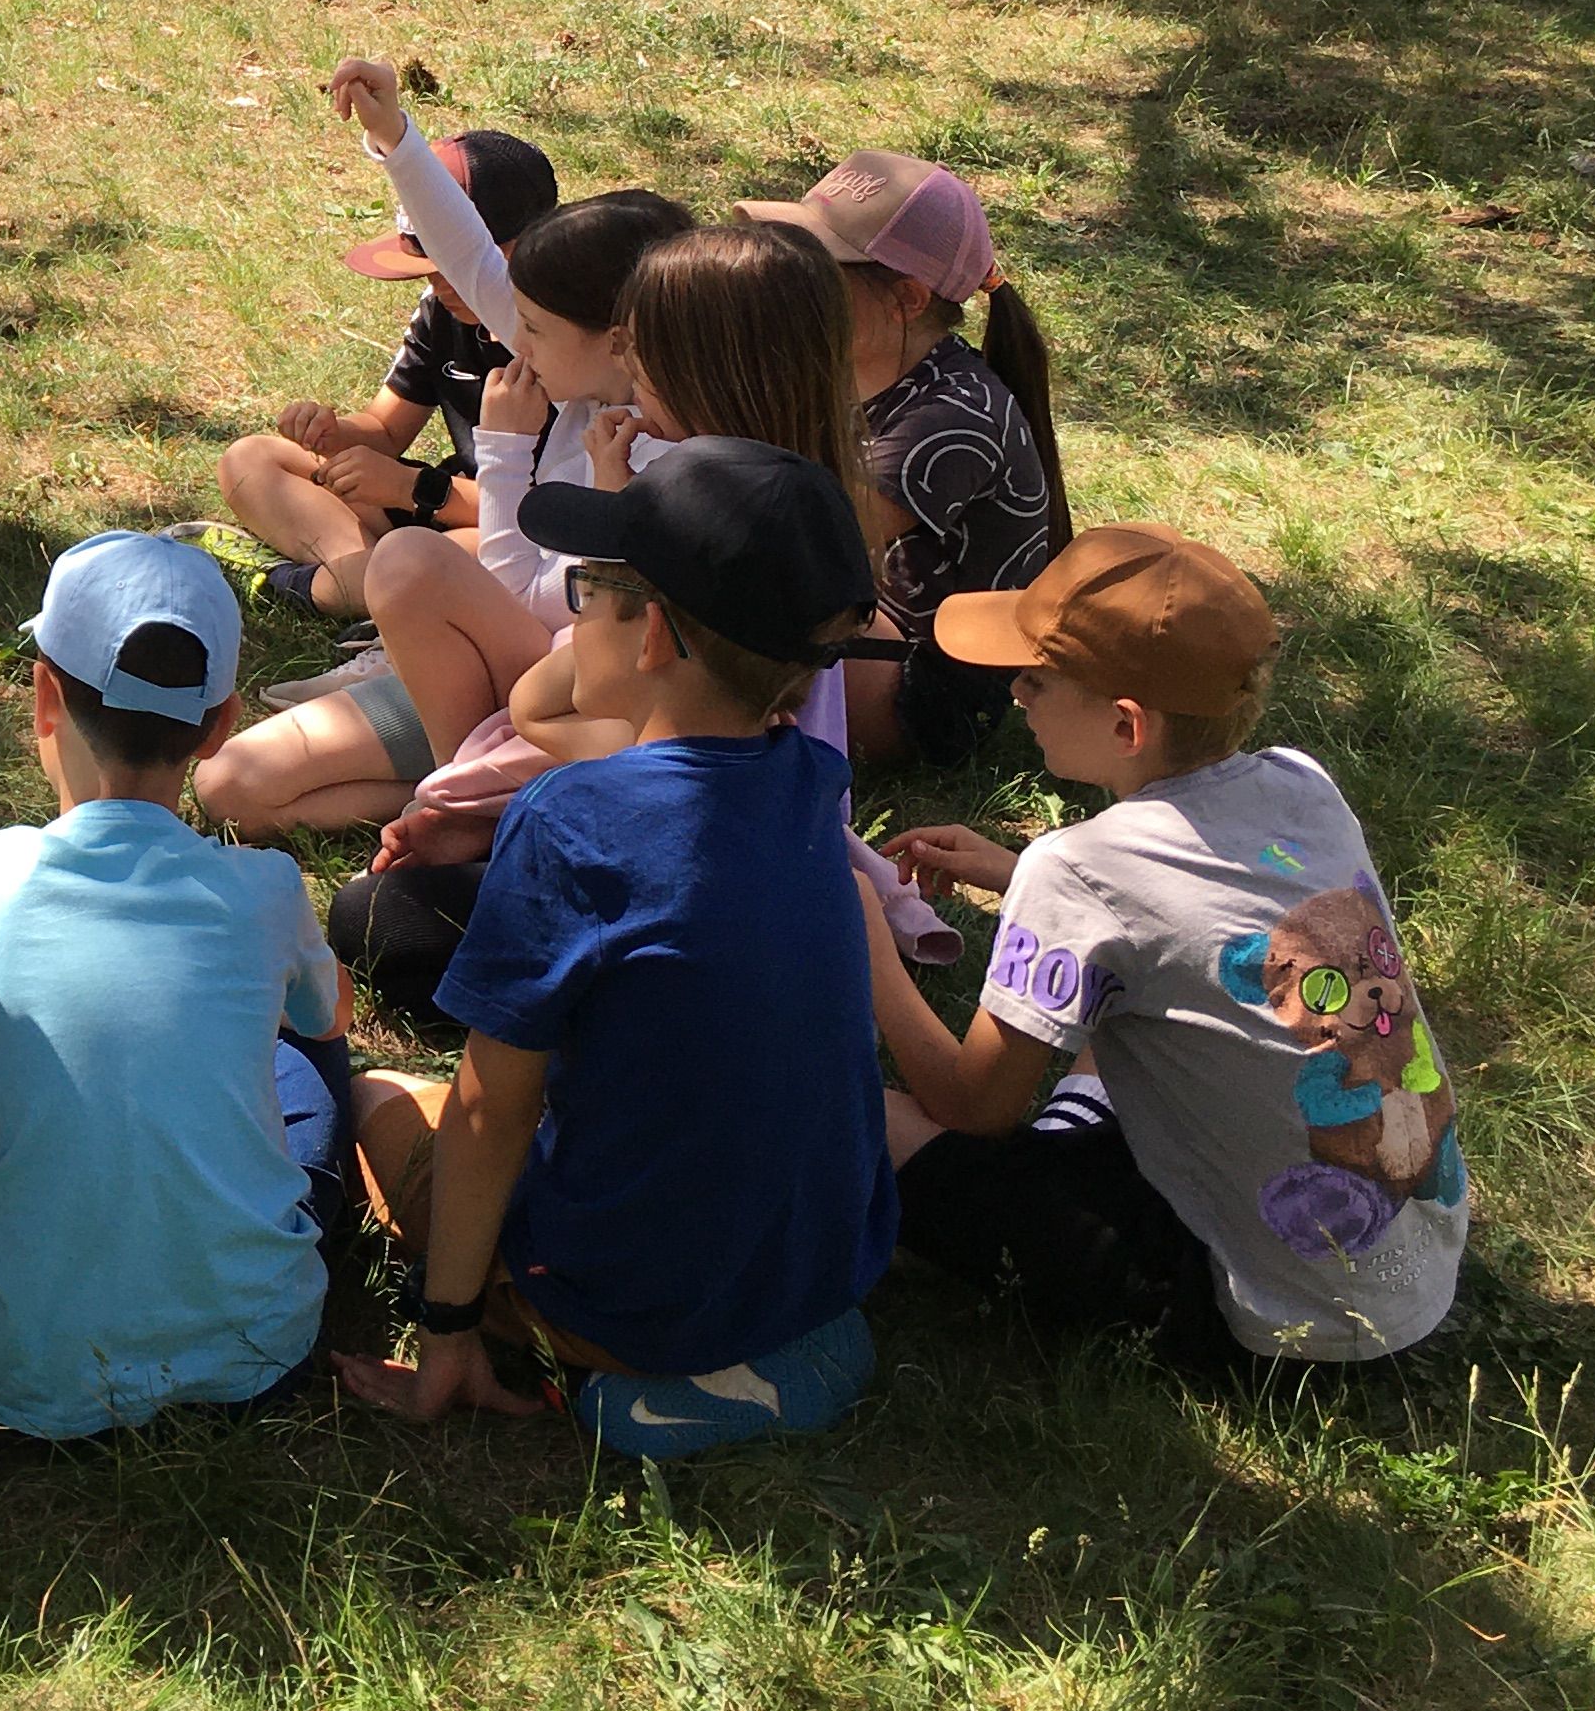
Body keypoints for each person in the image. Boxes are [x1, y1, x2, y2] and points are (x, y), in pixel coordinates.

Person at [336, 440, 897, 1457]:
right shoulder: (808, 778)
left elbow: (491, 1106)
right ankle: (773, 1354)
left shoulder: (569, 819)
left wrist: (448, 1325)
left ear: (653, 639)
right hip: (819, 1272)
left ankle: (630, 1371)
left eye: (588, 589)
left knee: (376, 1100)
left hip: (625, 1297)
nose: (569, 609)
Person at [868, 527, 1465, 1374]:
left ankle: (1047, 1161)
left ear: (1125, 725)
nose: (1016, 694)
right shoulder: (1302, 784)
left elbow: (972, 1107)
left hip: (1265, 1320)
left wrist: (870, 955)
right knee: (1148, 1015)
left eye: (1036, 678)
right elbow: (1203, 919)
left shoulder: (1077, 871)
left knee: (855, 1109)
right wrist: (1012, 873)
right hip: (1406, 1262)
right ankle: (1071, 1141)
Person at [332, 220, 934, 1029]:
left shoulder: (702, 535)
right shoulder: (797, 508)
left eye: (643, 357)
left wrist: (516, 812)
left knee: (382, 918)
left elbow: (582, 709)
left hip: (675, 849)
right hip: (726, 837)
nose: (627, 368)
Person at [0, 534, 353, 1438]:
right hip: (260, 1350)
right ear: (225, 723)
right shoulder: (268, 890)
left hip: (20, 1367)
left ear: (43, 698)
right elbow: (327, 1021)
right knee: (312, 1052)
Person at [192, 52, 689, 833]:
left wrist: (503, 449)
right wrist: (393, 137)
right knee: (230, 786)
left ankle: (474, 803)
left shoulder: (648, 459)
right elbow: (470, 258)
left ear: (619, 342)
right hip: (490, 671)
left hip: (557, 703)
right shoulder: (591, 383)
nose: (508, 338)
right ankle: (470, 787)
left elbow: (519, 587)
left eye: (531, 326)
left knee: (413, 562)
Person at [742, 151, 1070, 765]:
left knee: (734, 594)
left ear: (907, 299)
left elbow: (805, 546)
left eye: (821, 270)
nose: (791, 280)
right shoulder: (852, 367)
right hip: (867, 631)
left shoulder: (947, 418)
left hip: (927, 696)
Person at [212, 127, 559, 622]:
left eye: (453, 264)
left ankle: (308, 586)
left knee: (455, 557)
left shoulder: (563, 338)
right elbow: (387, 429)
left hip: (513, 532)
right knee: (252, 460)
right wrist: (333, 435)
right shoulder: (442, 311)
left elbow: (550, 510)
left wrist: (412, 489)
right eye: (427, 267)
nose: (440, 285)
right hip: (443, 506)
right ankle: (369, 586)